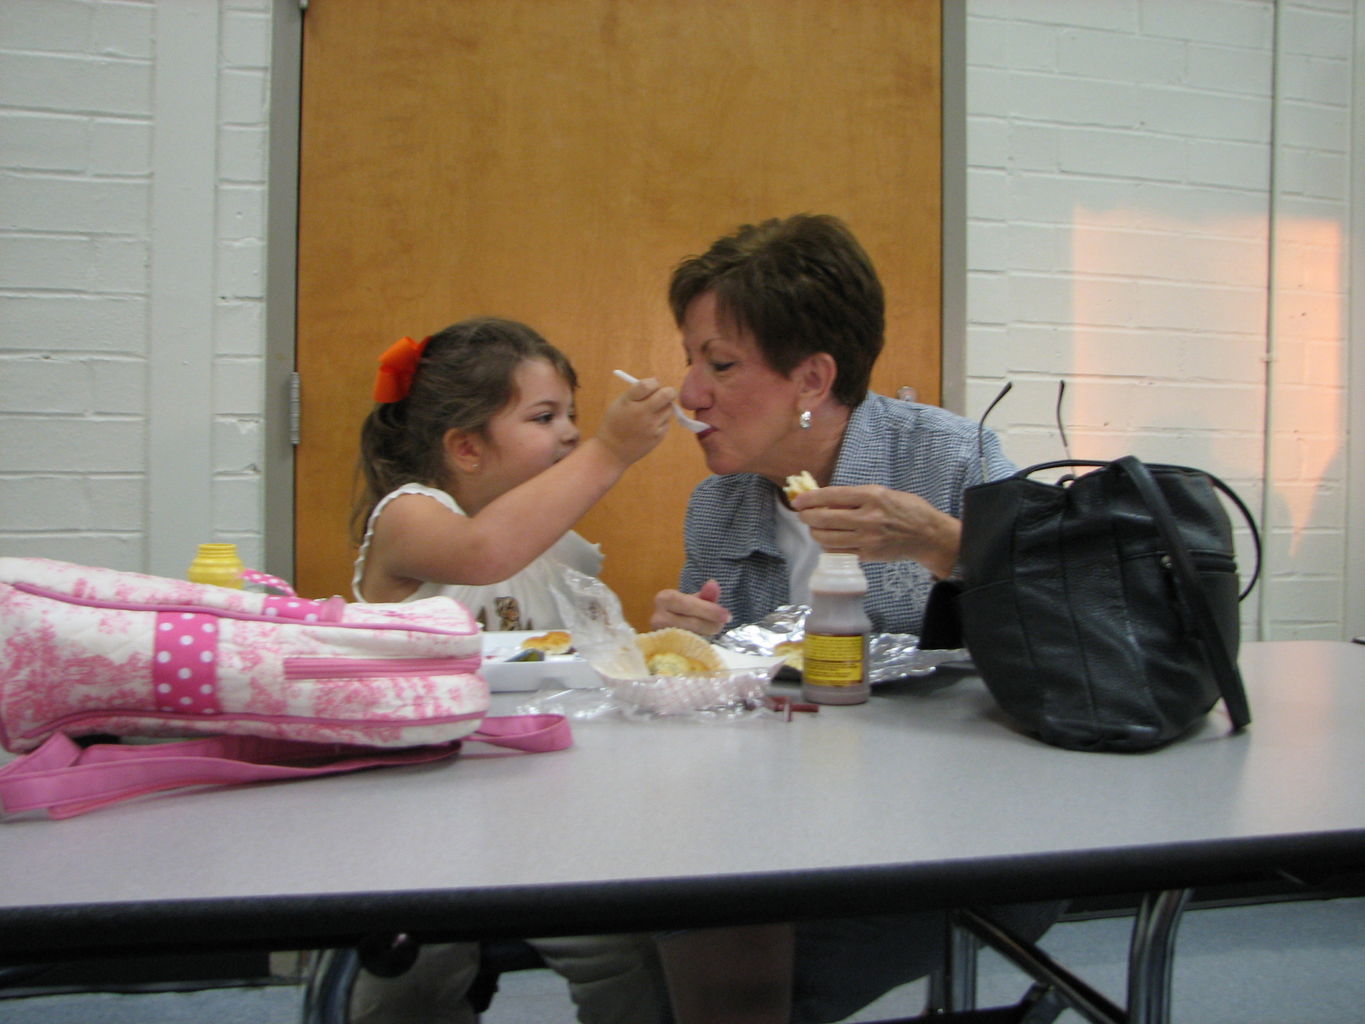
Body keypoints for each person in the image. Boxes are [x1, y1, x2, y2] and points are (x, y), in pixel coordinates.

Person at [648, 215, 1059, 1024]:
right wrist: (685, 644)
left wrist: (948, 544)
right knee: (644, 927)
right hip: (785, 824)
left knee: (720, 956)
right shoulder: (719, 505)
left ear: (811, 379)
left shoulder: (952, 460)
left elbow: (1065, 615)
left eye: (719, 364)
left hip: (956, 829)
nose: (689, 393)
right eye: (690, 360)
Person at [349, 316, 677, 1024]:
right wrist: (610, 449)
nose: (569, 433)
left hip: (543, 813)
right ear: (466, 447)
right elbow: (479, 555)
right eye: (544, 416)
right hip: (420, 811)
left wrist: (668, 636)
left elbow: (591, 656)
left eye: (576, 417)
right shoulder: (410, 517)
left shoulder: (546, 543)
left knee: (624, 956)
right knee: (407, 983)